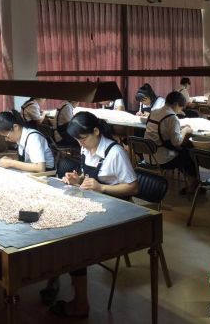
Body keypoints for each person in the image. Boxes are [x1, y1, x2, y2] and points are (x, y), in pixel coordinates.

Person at [48, 111, 138, 318]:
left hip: (117, 211)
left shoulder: (115, 153)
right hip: (96, 203)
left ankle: (81, 303)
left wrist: (102, 188)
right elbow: (88, 178)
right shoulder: (87, 147)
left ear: (96, 131)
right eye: (78, 141)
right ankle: (54, 278)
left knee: (74, 242)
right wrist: (78, 180)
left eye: (83, 139)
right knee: (59, 226)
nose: (81, 144)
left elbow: (133, 187)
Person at [144, 92, 198, 194]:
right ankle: (193, 186)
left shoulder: (154, 112)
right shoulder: (172, 117)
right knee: (189, 155)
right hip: (162, 159)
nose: (181, 110)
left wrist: (178, 128)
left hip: (148, 155)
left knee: (184, 153)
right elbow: (177, 142)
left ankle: (192, 183)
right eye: (181, 107)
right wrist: (185, 130)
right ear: (176, 104)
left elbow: (162, 129)